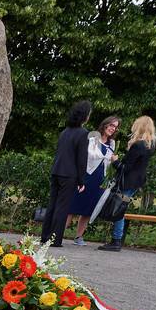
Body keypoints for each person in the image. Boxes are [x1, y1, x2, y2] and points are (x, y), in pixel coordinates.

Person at [99, 116, 156, 252]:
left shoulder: (138, 145)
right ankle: (116, 240)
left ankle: (116, 241)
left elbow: (125, 168)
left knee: (119, 209)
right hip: (137, 182)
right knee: (121, 208)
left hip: (128, 181)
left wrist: (115, 161)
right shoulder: (150, 144)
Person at [41, 101, 92, 247]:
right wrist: (81, 181)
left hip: (56, 171)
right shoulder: (84, 134)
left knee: (53, 204)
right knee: (62, 207)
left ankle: (45, 237)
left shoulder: (64, 132)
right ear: (85, 116)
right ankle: (55, 240)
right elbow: (82, 159)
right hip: (69, 174)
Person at [68, 115, 120, 245]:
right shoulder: (93, 137)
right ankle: (56, 234)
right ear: (105, 124)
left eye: (116, 127)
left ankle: (78, 236)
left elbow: (108, 163)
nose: (113, 129)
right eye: (112, 125)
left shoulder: (112, 144)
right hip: (86, 176)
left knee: (88, 209)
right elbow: (88, 155)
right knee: (72, 207)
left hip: (100, 180)